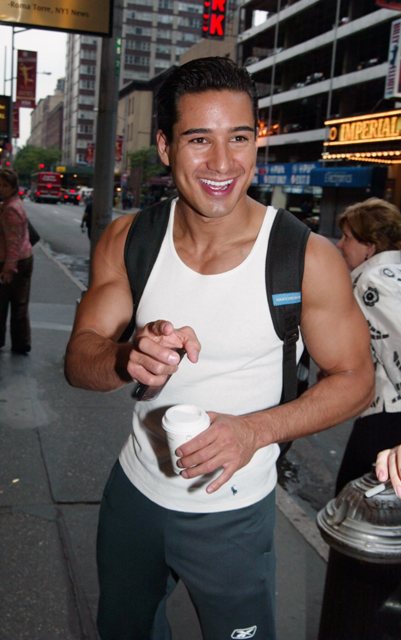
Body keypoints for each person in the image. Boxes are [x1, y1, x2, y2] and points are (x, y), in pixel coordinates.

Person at [64, 57, 374, 640]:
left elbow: (357, 379)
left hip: (234, 515)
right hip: (134, 495)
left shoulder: (306, 257)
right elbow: (79, 360)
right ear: (164, 146)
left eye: (239, 137)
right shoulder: (130, 239)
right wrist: (126, 356)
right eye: (199, 139)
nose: (223, 163)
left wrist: (254, 431)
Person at [335, 197, 401, 494]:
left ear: (370, 246)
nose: (340, 245)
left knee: (354, 504)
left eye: (348, 237)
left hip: (388, 418)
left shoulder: (372, 281)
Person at [0, 168, 33, 355]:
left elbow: (13, 243)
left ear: (13, 187)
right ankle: (21, 343)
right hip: (22, 258)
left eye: (5, 185)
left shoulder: (11, 209)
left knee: (10, 303)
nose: (1, 188)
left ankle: (19, 343)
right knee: (18, 302)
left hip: (14, 261)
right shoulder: (11, 204)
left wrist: (8, 269)